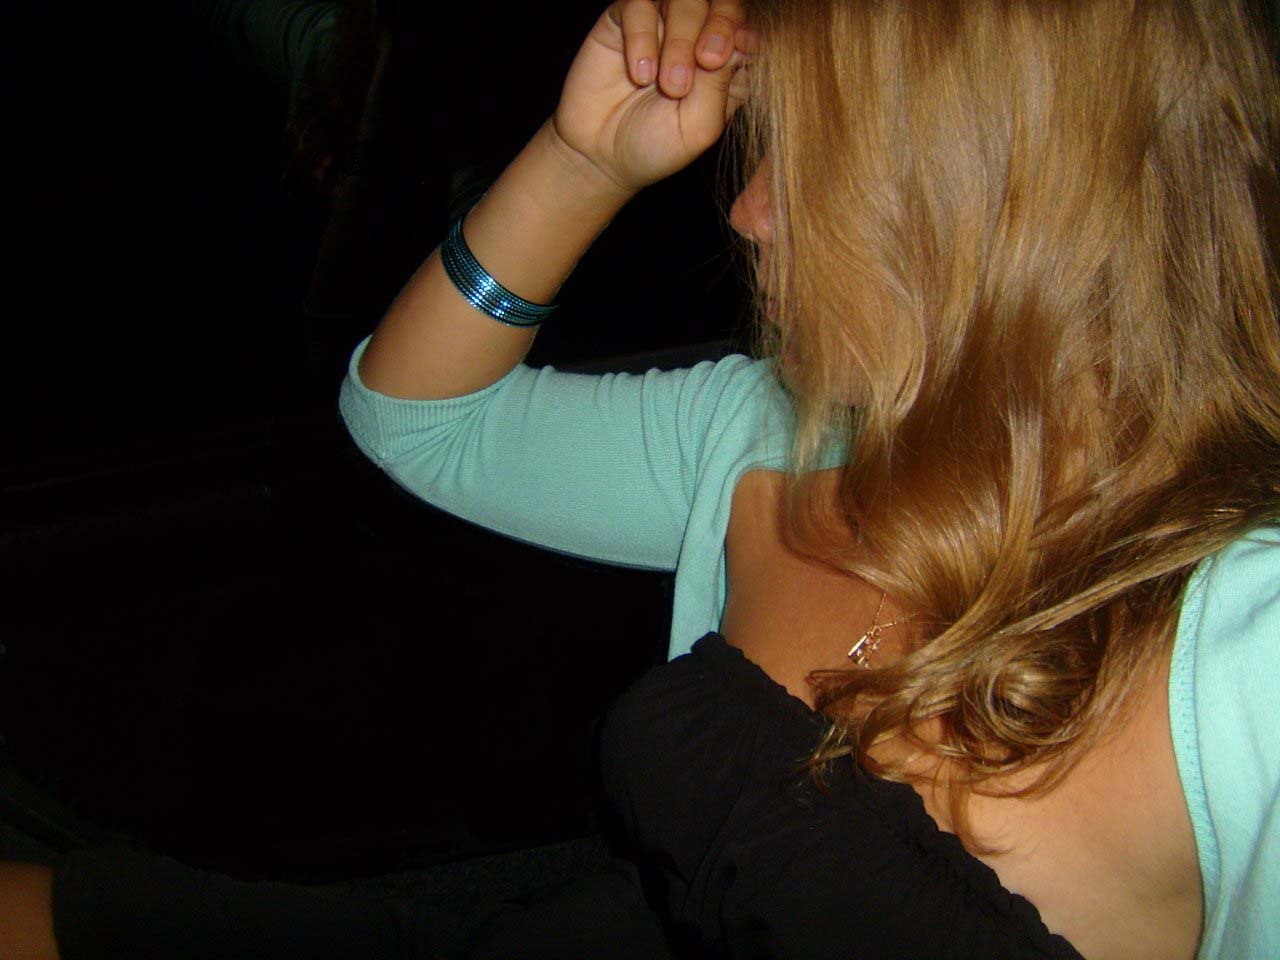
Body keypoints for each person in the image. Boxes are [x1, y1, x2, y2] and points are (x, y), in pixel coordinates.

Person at [2, 0, 1278, 957]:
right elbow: (412, 421)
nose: (747, 210)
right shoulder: (778, 430)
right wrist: (584, 159)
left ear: (999, 196)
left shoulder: (1240, 632)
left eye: (810, 157)